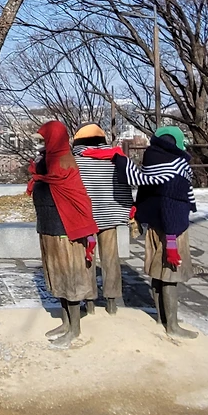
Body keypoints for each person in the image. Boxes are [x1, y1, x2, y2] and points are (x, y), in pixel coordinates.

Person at [115, 125, 197, 339]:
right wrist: (172, 239)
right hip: (173, 230)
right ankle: (173, 326)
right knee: (170, 275)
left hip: (153, 226)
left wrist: (140, 216)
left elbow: (143, 192)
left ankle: (161, 318)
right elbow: (172, 205)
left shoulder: (151, 163)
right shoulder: (176, 166)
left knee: (157, 272)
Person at [29, 120, 99, 348]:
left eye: (44, 139)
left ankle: (74, 328)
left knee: (69, 278)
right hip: (48, 226)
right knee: (57, 276)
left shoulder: (62, 161)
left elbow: (73, 195)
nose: (41, 143)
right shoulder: (47, 161)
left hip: (65, 229)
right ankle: (66, 321)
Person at [71, 123, 133, 314]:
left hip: (86, 218)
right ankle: (112, 302)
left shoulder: (76, 162)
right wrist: (125, 210)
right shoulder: (116, 158)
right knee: (111, 258)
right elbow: (125, 187)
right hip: (110, 215)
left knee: (87, 257)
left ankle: (89, 302)